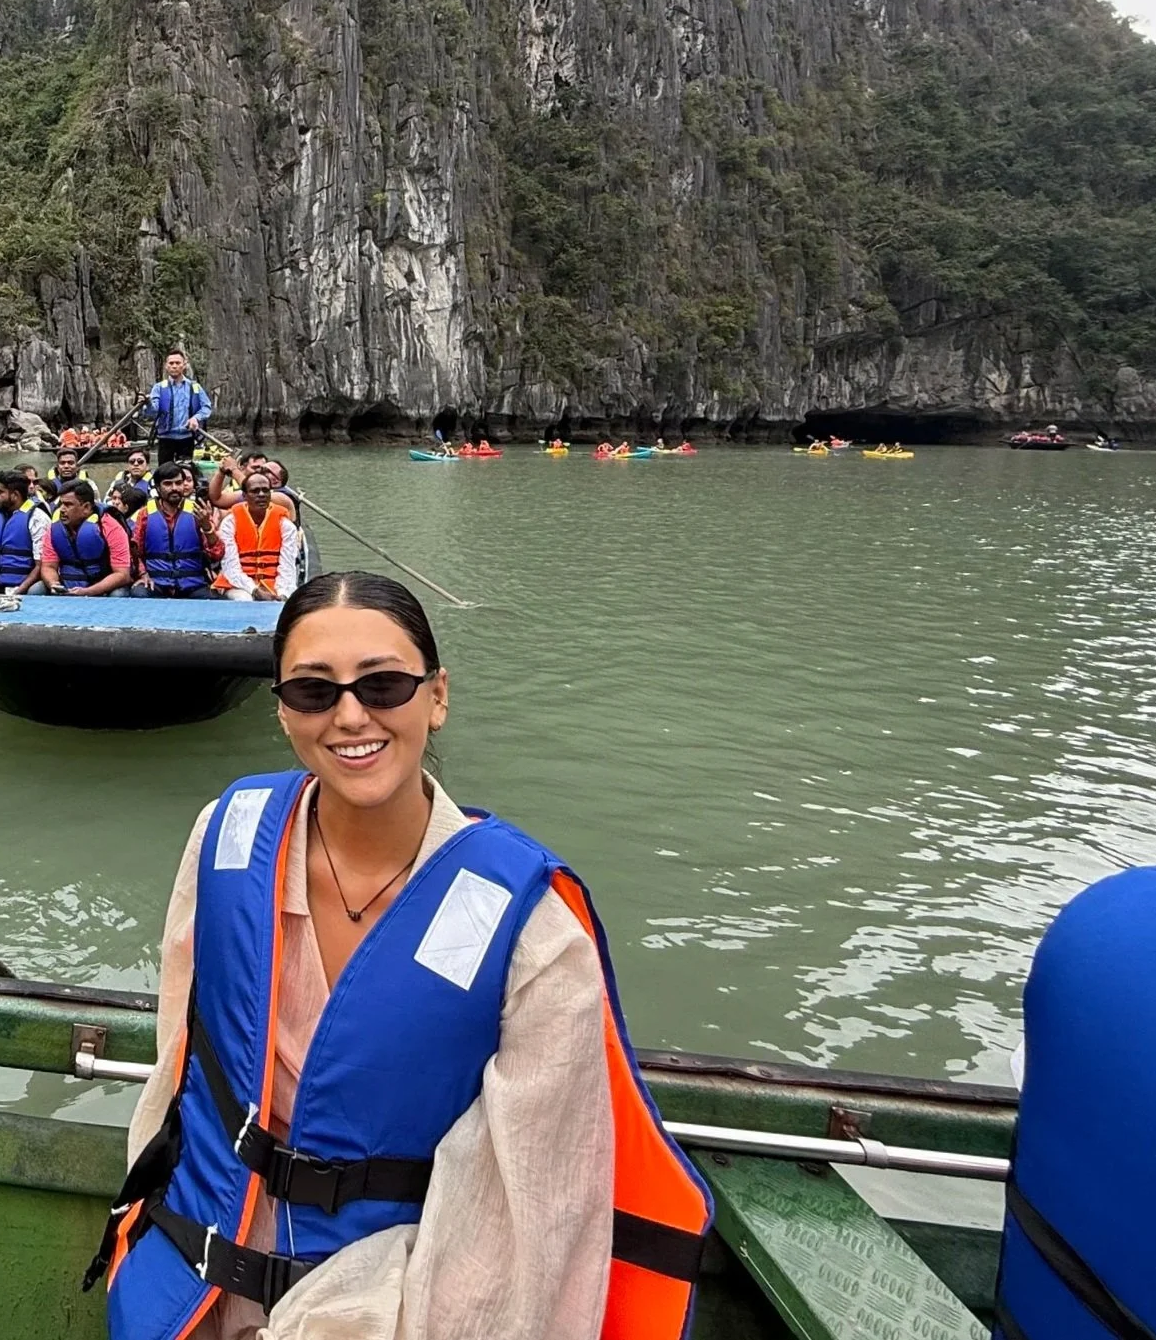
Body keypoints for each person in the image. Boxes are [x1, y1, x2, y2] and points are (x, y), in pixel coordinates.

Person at [88, 573, 712, 1339]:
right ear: (283, 711)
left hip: (390, 1306)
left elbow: (528, 1216)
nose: (351, 714)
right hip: (192, 1283)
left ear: (436, 695)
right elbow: (178, 1068)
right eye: (314, 691)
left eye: (384, 684)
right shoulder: (225, 838)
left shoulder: (529, 932)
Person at [130, 461, 222, 599]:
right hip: (157, 583)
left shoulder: (198, 512)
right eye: (168, 484)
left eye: (178, 483)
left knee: (214, 599)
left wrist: (207, 527)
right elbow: (135, 552)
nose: (174, 488)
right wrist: (143, 574)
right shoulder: (145, 513)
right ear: (158, 488)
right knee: (139, 594)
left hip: (193, 583)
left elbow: (217, 553)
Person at [39, 481, 135, 597]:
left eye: (68, 504)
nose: (62, 509)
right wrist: (53, 584)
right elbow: (48, 566)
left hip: (103, 588)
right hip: (67, 585)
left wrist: (88, 592)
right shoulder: (55, 529)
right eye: (61, 504)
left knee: (118, 594)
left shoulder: (111, 527)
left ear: (86, 507)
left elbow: (122, 574)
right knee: (37, 589)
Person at [217, 470, 301, 601]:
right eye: (255, 491)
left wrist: (282, 594)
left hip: (274, 584)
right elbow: (231, 568)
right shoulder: (230, 523)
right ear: (244, 495)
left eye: (265, 490)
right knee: (244, 599)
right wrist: (254, 590)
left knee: (286, 600)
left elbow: (288, 568)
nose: (261, 495)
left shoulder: (286, 525)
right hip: (239, 585)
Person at [145, 350, 213, 468]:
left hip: (187, 438)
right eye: (171, 363)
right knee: (165, 473)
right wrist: (148, 403)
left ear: (184, 365)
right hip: (166, 439)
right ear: (166, 366)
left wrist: (196, 418)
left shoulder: (195, 387)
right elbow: (152, 412)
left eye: (177, 363)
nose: (174, 366)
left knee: (186, 473)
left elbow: (206, 407)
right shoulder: (159, 388)